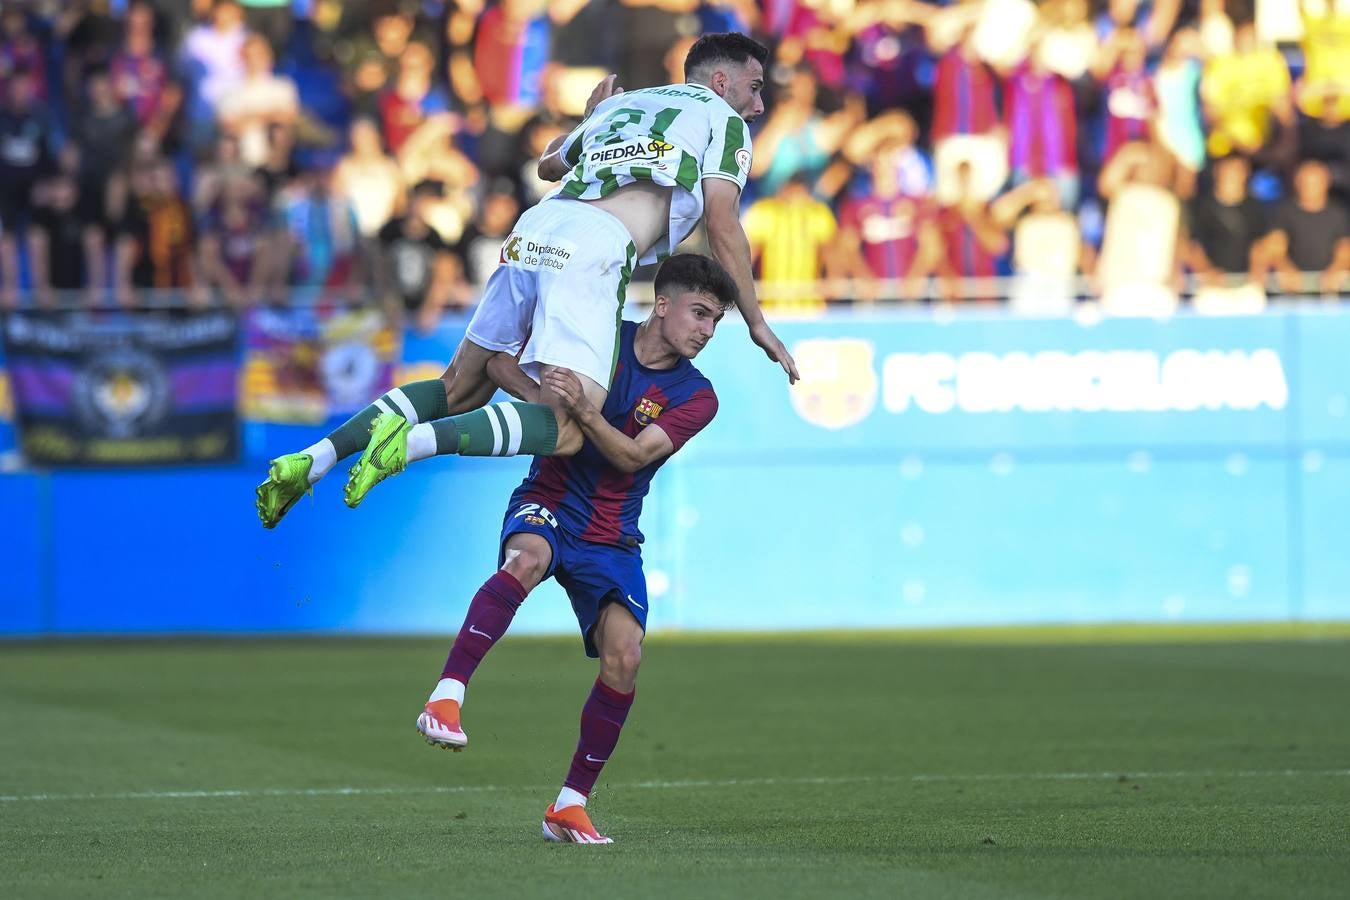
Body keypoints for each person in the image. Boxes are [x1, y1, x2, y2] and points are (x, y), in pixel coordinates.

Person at [255, 32, 796, 528]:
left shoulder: (625, 105)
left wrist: (591, 117)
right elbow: (723, 222)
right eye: (754, 87)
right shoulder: (724, 122)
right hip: (595, 245)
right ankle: (411, 445)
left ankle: (314, 458)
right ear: (720, 82)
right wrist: (756, 321)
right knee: (564, 429)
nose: (759, 104)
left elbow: (548, 165)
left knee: (458, 388)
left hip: (535, 228)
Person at [416, 254, 733, 844]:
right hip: (550, 501)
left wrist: (582, 409)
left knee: (626, 656)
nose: (706, 330)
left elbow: (635, 456)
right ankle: (446, 697)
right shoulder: (597, 336)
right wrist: (541, 393)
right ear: (661, 304)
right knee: (526, 559)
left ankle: (568, 805)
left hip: (613, 535)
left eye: (715, 321)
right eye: (700, 313)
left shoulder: (698, 395)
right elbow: (503, 363)